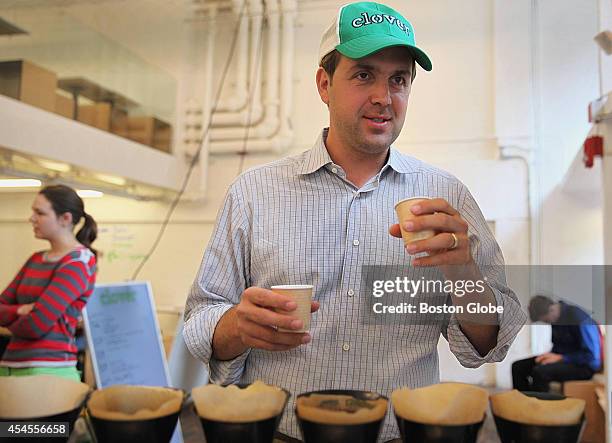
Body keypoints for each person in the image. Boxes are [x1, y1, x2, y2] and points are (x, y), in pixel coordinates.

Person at [184, 2, 526, 440]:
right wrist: (237, 326)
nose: (384, 96)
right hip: (281, 433)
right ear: (324, 84)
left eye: (398, 80)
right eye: (364, 75)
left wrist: (463, 272)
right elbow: (200, 321)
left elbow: (488, 343)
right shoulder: (254, 193)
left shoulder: (447, 197)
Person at [0, 184, 97, 382]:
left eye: (40, 213)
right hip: (10, 367)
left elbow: (36, 325)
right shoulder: (35, 259)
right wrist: (20, 311)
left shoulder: (78, 262)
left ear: (65, 219)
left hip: (48, 372)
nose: (32, 219)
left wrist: (11, 315)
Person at [512, 295, 601, 392]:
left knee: (540, 372)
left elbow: (591, 355)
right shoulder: (556, 319)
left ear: (552, 309)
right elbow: (559, 347)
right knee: (518, 367)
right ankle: (524, 402)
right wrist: (549, 356)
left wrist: (561, 358)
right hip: (565, 359)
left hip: (584, 366)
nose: (546, 323)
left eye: (546, 320)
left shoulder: (578, 317)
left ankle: (540, 406)